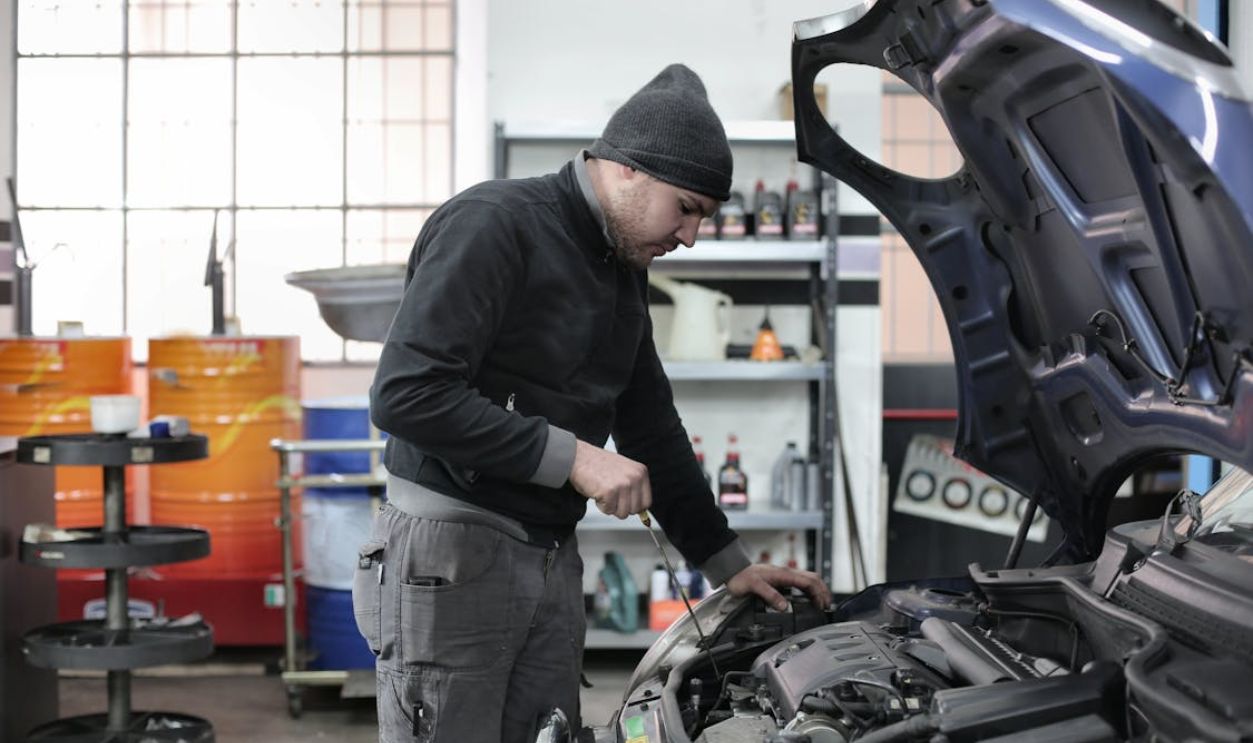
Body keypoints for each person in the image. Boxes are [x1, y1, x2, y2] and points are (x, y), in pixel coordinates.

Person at [359, 63, 832, 743]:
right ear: (627, 170)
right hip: (451, 555)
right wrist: (574, 457)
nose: (691, 235)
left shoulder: (620, 265)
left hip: (548, 552)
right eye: (688, 208)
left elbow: (651, 426)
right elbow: (406, 394)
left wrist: (729, 565)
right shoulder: (494, 225)